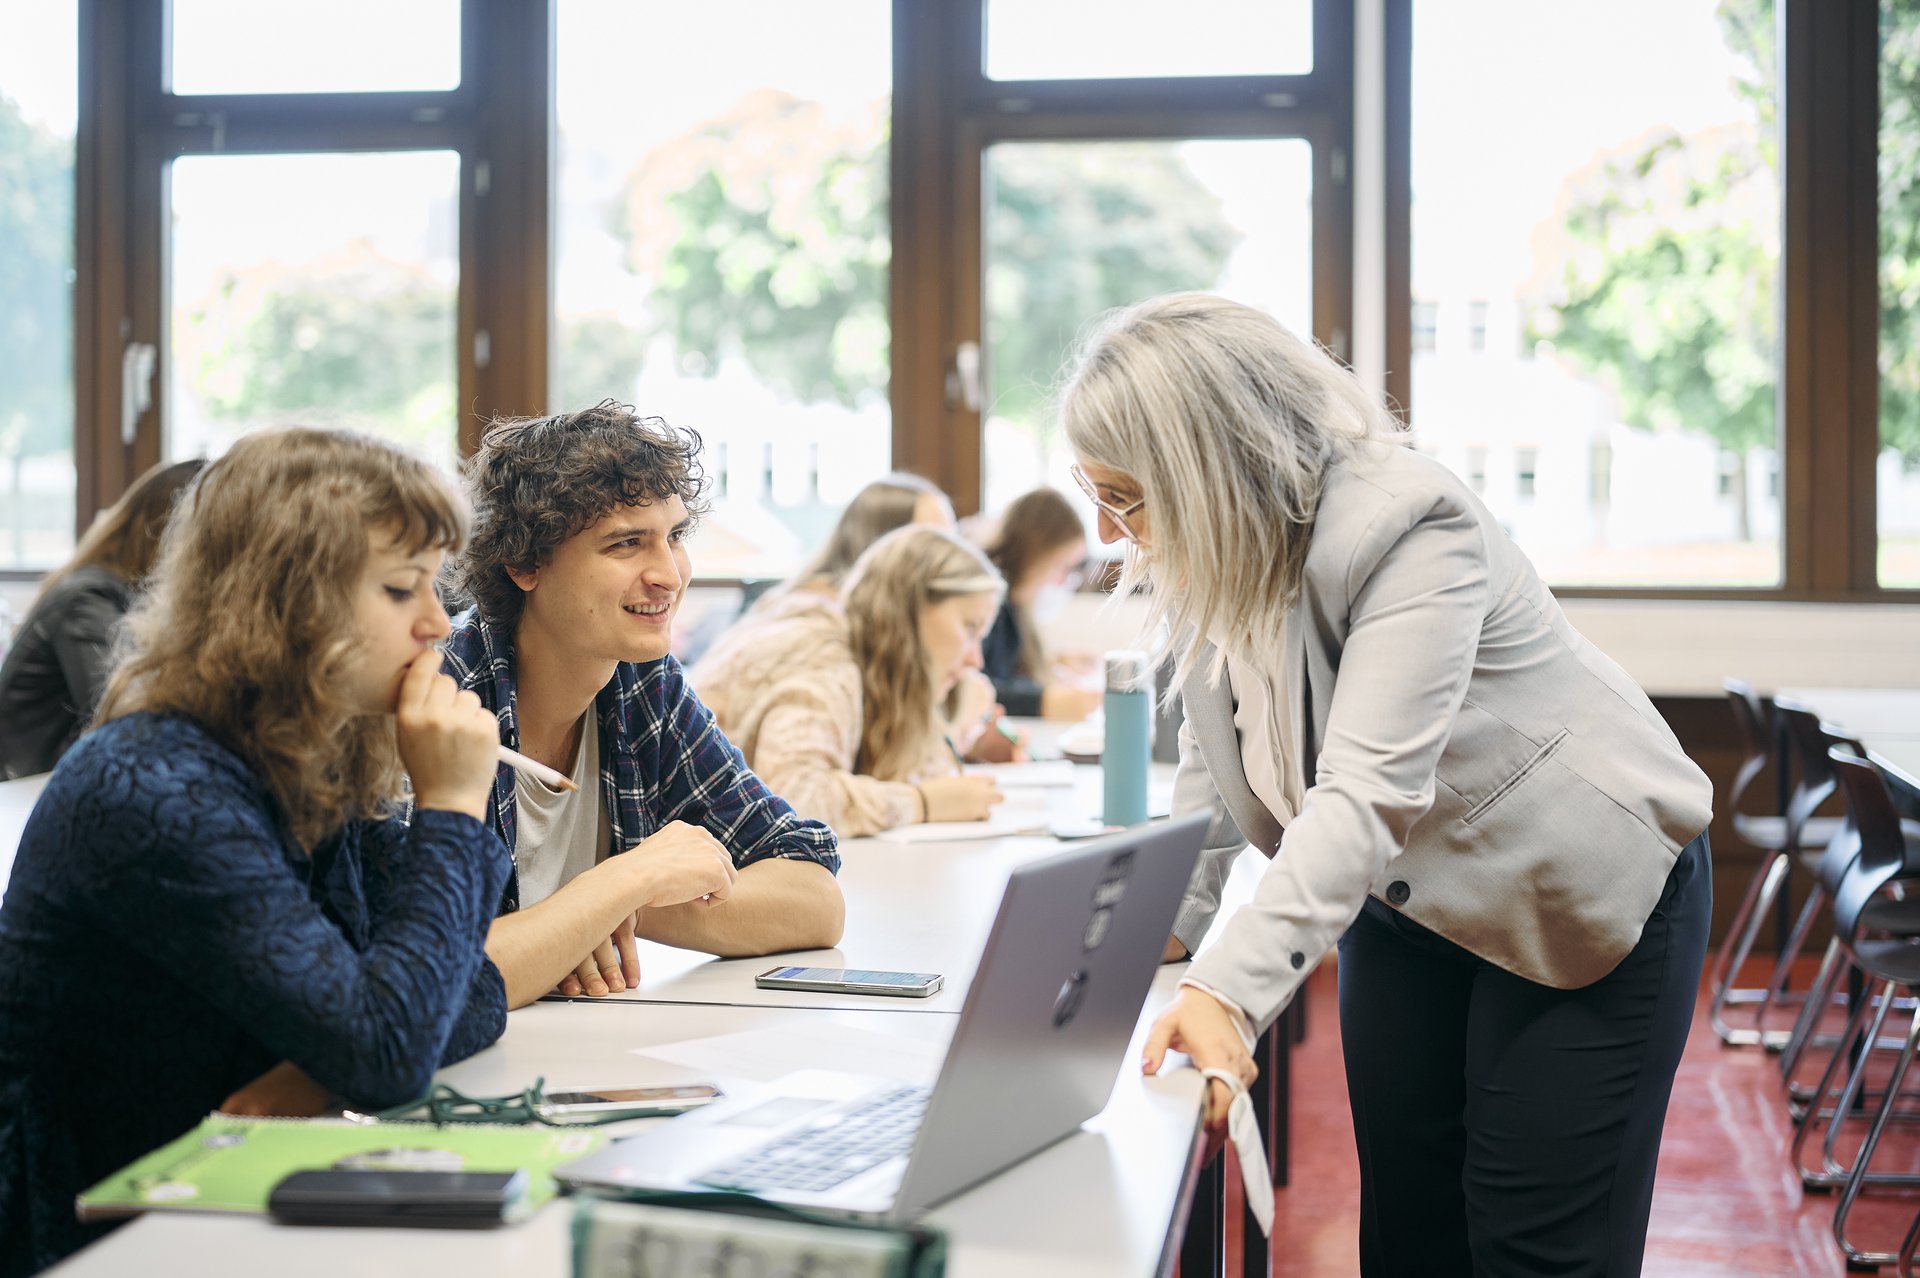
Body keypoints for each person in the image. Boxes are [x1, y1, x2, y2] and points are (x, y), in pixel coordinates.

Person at [1058, 295, 1713, 1277]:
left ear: (1204, 466)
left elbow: (1364, 793)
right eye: (1091, 491)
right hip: (1410, 901)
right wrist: (1171, 924)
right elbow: (1214, 764)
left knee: (1534, 1250)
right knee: (1409, 1237)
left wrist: (1227, 996)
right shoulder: (1210, 548)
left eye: (1126, 495)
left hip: (1580, 885)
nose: (1109, 531)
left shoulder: (1411, 523)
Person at [0, 429, 721, 1277]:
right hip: (105, 1238)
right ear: (284, 606)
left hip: (238, 1203)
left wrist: (330, 1061)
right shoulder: (155, 785)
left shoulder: (314, 757)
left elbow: (453, 986)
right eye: (398, 588)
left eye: (432, 583)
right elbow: (388, 1049)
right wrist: (452, 807)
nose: (433, 622)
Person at [446, 403, 845, 1006]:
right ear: (524, 563)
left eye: (675, 537)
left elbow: (815, 899)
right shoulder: (443, 696)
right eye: (626, 544)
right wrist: (620, 882)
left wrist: (618, 900)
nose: (670, 575)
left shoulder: (641, 682)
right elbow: (435, 978)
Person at [690, 525, 1008, 837]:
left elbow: (916, 777)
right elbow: (795, 797)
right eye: (970, 629)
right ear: (914, 610)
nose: (975, 661)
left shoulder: (873, 665)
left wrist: (956, 727)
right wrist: (921, 803)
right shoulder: (824, 656)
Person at [0, 458, 204, 779]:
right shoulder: (87, 598)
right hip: (28, 788)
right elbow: (124, 713)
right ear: (167, 533)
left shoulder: (111, 592)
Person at [978, 487, 1103, 721]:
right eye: (1062, 567)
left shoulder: (1015, 605)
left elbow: (1006, 665)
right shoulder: (986, 600)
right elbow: (975, 684)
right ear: (1034, 552)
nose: (1064, 581)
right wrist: (1045, 701)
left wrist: (1055, 659)